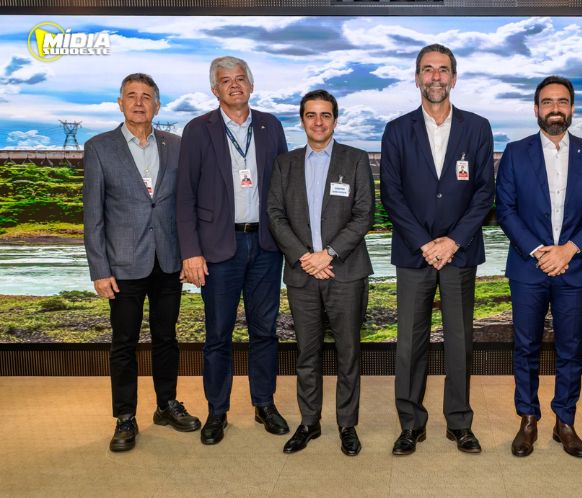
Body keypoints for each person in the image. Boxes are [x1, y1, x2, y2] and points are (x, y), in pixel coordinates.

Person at [380, 44, 495, 455]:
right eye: (427, 70)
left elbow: (484, 193)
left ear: (454, 78)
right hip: (414, 254)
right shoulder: (396, 129)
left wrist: (452, 241)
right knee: (411, 342)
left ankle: (459, 424)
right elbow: (391, 195)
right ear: (416, 78)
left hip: (460, 253)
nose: (435, 77)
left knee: (460, 340)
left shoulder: (478, 127)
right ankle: (411, 424)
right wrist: (426, 243)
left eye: (443, 70)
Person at [496, 76, 582, 458]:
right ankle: (528, 420)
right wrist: (538, 251)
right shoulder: (515, 152)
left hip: (574, 268)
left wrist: (570, 250)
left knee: (570, 349)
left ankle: (565, 422)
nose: (555, 108)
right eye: (547, 102)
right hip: (528, 269)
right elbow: (506, 210)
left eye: (562, 101)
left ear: (572, 108)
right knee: (526, 347)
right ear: (536, 109)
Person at [83, 73, 201, 452]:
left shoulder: (177, 146)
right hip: (122, 265)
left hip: (168, 261)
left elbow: (187, 206)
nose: (138, 102)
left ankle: (167, 404)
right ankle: (125, 417)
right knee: (124, 343)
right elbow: (93, 215)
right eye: (131, 96)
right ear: (120, 103)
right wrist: (100, 270)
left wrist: (188, 252)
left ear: (157, 106)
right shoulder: (100, 147)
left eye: (146, 97)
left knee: (167, 339)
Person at [176, 56, 289, 445]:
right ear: (215, 90)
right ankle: (217, 411)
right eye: (226, 81)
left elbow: (284, 190)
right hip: (218, 248)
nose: (234, 85)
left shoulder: (271, 125)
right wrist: (190, 252)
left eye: (241, 79)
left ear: (251, 85)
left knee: (264, 331)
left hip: (265, 245)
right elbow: (185, 195)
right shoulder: (197, 129)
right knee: (218, 335)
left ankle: (264, 404)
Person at [267, 89, 374, 456]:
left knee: (348, 354)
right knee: (307, 355)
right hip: (301, 275)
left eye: (325, 115)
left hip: (345, 272)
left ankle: (347, 425)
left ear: (335, 120)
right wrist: (303, 257)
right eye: (311, 115)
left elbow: (364, 215)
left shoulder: (355, 160)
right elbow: (275, 215)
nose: (318, 121)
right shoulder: (285, 164)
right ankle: (309, 423)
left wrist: (327, 254)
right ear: (301, 120)